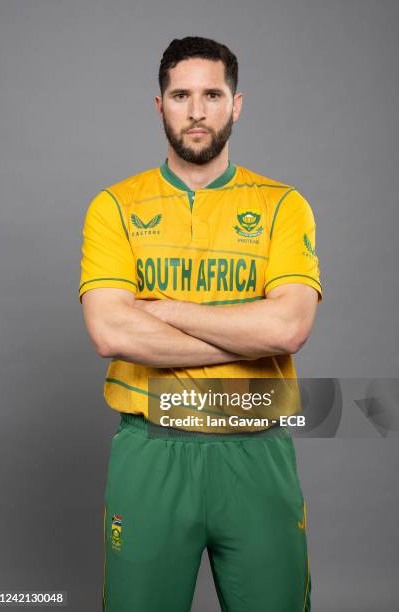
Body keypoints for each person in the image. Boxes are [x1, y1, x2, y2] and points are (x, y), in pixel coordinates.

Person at [78, 35, 322, 612]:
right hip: (151, 451)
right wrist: (243, 331)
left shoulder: (283, 204)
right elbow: (111, 333)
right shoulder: (113, 206)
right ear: (158, 104)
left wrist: (161, 309)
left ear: (236, 105)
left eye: (212, 94)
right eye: (180, 95)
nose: (196, 110)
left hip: (256, 449)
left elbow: (287, 329)